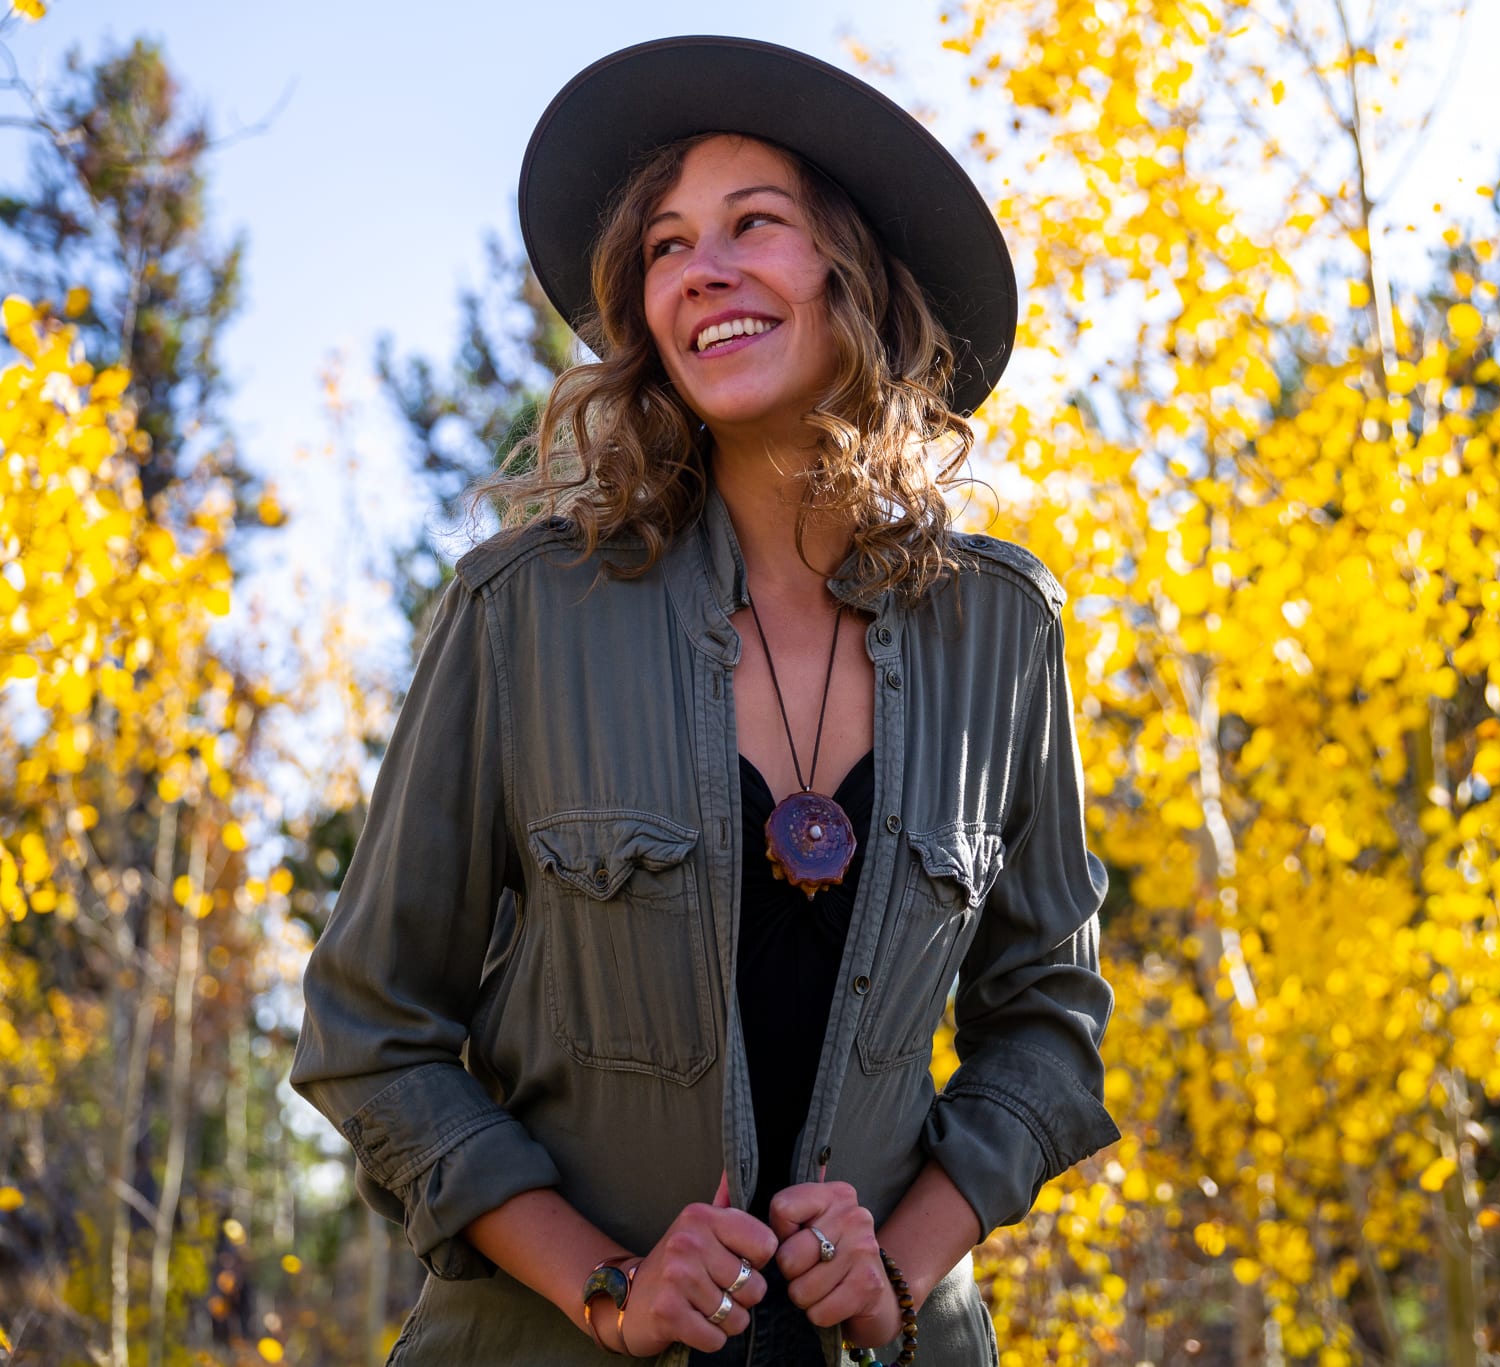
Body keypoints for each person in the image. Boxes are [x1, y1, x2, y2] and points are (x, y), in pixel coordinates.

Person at [291, 35, 1118, 1367]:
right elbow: (368, 1030)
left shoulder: (999, 629)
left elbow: (1047, 1025)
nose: (701, 271)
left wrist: (901, 1272)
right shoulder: (526, 614)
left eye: (754, 226)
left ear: (858, 275)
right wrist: (606, 1284)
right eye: (665, 247)